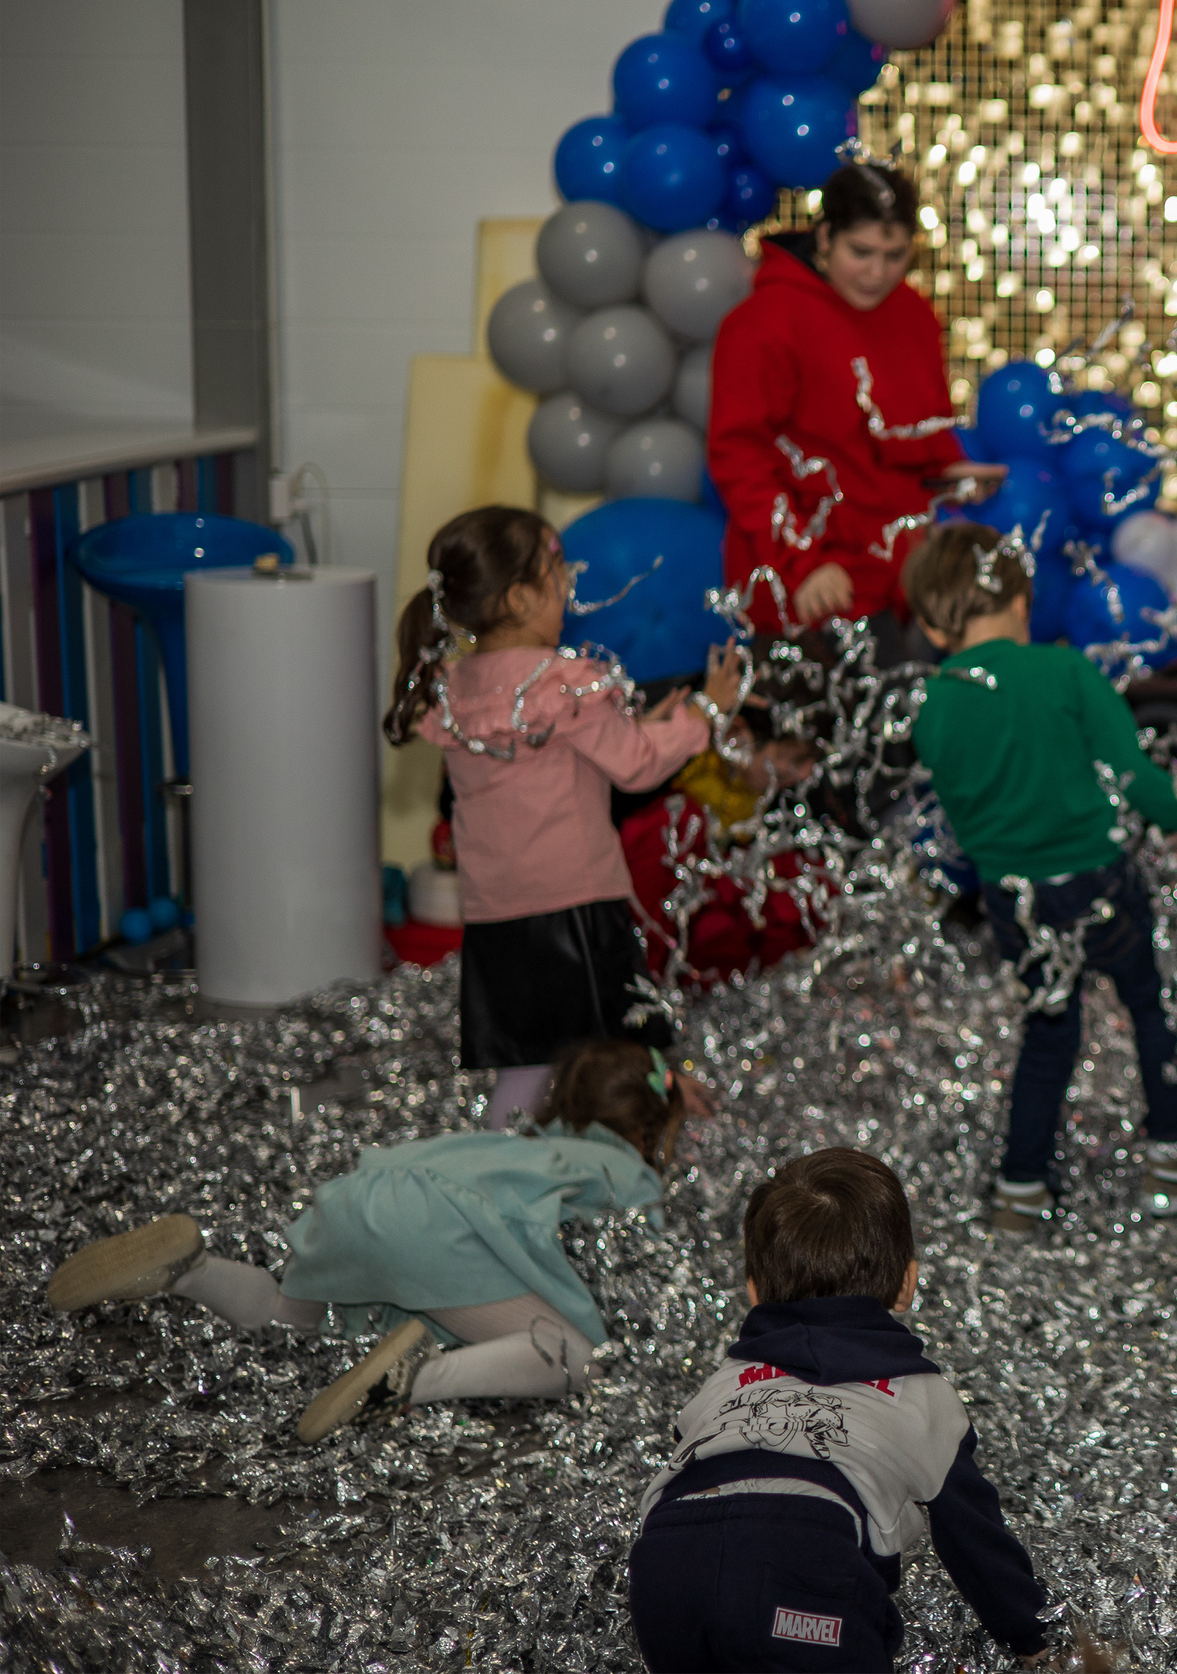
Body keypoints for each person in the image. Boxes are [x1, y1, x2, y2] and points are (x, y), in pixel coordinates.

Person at [44, 1040, 704, 1443]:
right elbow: (648, 1274)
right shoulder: (624, 1166)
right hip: (438, 1231)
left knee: (293, 1314)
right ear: (647, 1130)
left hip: (366, 1197)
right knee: (577, 1356)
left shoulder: (521, 1145)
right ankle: (416, 1375)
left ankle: (190, 1268)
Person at [382, 505, 745, 1127]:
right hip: (576, 903)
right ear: (521, 598)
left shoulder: (455, 689)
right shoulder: (565, 681)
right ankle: (649, 1157)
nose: (568, 593)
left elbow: (560, 759)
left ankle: (501, 1168)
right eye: (559, 580)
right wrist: (705, 716)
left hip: (496, 913)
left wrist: (648, 725)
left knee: (529, 1062)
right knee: (625, 1046)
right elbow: (633, 766)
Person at [901, 521, 1177, 1236]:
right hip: (1098, 880)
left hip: (1012, 898)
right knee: (1149, 1005)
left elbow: (960, 809)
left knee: (1049, 1031)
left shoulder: (935, 705)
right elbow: (1132, 771)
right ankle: (1172, 1155)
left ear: (930, 625)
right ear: (1020, 598)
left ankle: (1021, 1186)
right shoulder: (1065, 671)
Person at [628, 1148, 1050, 1671]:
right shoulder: (921, 1396)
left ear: (753, 1292)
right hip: (807, 1552)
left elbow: (697, 1456)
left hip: (667, 1565)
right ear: (906, 1284)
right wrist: (1035, 1638)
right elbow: (975, 1543)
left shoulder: (723, 1382)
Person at [709, 162, 1007, 635]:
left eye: (894, 255)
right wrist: (800, 563)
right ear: (824, 237)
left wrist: (947, 474)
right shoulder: (763, 322)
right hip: (806, 592)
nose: (877, 272)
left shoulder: (913, 313)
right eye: (861, 252)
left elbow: (906, 435)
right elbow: (739, 459)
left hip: (902, 584)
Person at [622, 700, 826, 985]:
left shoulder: (762, 814)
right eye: (790, 757)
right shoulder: (674, 821)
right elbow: (647, 944)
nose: (804, 773)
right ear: (736, 735)